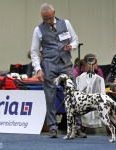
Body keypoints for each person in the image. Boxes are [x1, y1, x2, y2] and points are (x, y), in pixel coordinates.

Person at [30, 3, 86, 138]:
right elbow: (34, 52)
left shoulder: (65, 23)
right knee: (50, 96)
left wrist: (70, 47)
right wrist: (38, 69)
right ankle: (53, 127)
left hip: (65, 64)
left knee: (74, 95)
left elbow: (75, 40)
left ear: (54, 12)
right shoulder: (38, 30)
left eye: (50, 18)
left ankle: (77, 127)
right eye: (45, 19)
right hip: (48, 65)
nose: (48, 21)